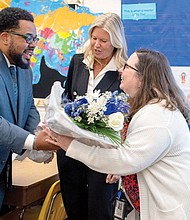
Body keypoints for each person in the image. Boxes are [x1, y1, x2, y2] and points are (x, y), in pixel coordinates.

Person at [44, 48, 190, 220]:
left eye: (127, 67)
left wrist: (69, 144)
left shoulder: (157, 116)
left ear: (143, 77)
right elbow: (138, 155)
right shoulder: (149, 109)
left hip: (167, 209)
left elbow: (125, 159)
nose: (121, 70)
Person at [56, 12, 128, 220]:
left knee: (100, 213)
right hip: (72, 151)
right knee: (74, 210)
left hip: (104, 156)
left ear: (115, 42)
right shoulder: (78, 62)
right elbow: (67, 100)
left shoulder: (124, 72)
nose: (97, 45)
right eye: (94, 38)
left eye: (104, 40)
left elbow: (126, 119)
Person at [0, 7, 58, 212]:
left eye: (35, 38)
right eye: (28, 38)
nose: (33, 44)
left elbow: (28, 107)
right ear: (5, 38)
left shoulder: (25, 70)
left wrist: (42, 137)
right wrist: (34, 142)